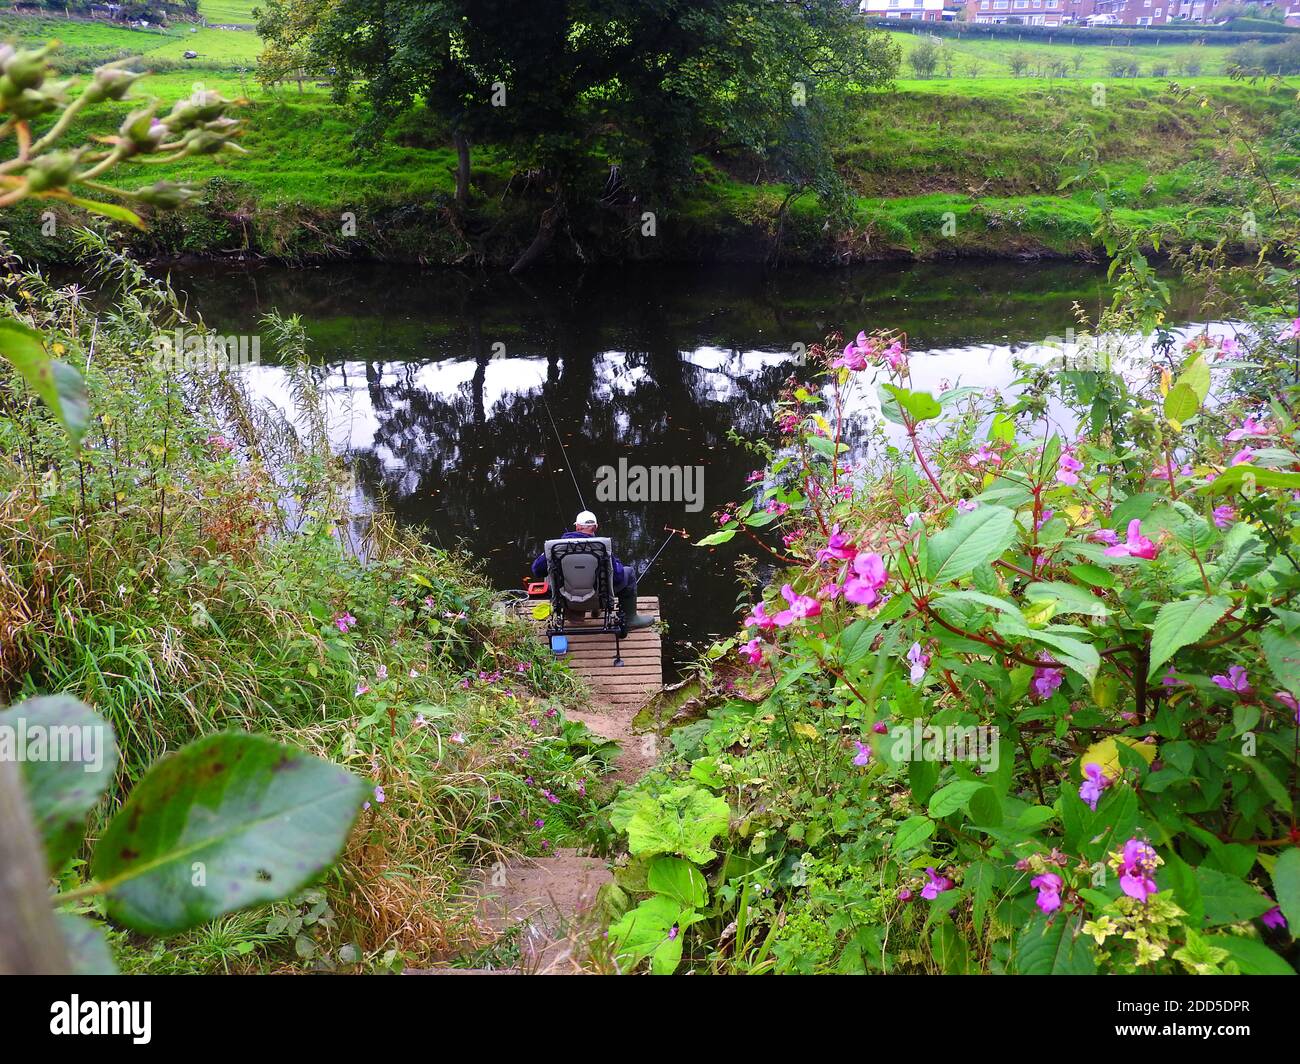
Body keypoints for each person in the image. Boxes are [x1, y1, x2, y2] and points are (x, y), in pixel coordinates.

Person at [532, 511, 655, 629]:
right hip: (600, 599)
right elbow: (617, 577)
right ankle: (630, 619)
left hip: (565, 599)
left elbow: (537, 570)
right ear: (595, 527)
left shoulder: (555, 547)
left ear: (577, 527)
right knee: (628, 572)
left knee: (551, 574)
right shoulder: (602, 547)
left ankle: (574, 613)